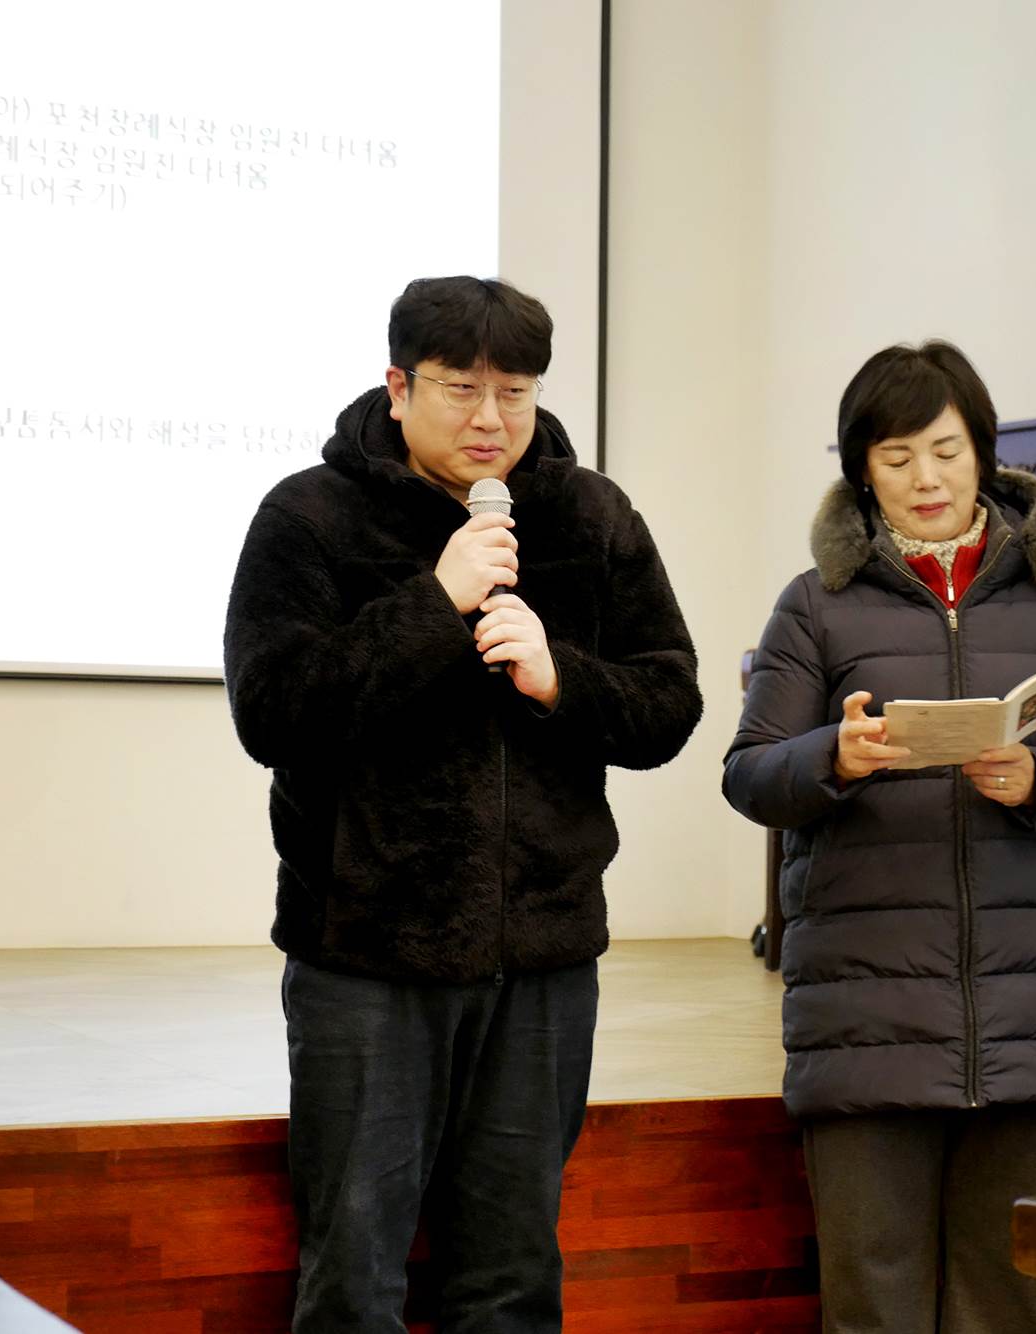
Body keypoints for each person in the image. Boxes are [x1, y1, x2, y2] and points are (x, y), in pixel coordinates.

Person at [223, 275, 702, 1332]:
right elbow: (272, 711)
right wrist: (434, 602)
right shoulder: (309, 515)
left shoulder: (591, 515)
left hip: (543, 959)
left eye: (515, 392)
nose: (492, 419)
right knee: (354, 1278)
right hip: (367, 956)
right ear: (398, 387)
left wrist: (563, 681)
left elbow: (669, 704)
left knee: (512, 1280)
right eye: (460, 388)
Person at [722, 341, 1036, 1333]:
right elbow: (750, 773)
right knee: (872, 1304)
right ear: (860, 471)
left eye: (946, 450)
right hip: (866, 1015)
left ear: (983, 453)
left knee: (1015, 1301)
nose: (925, 477)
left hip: (1026, 1011)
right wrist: (835, 756)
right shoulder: (816, 604)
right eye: (896, 456)